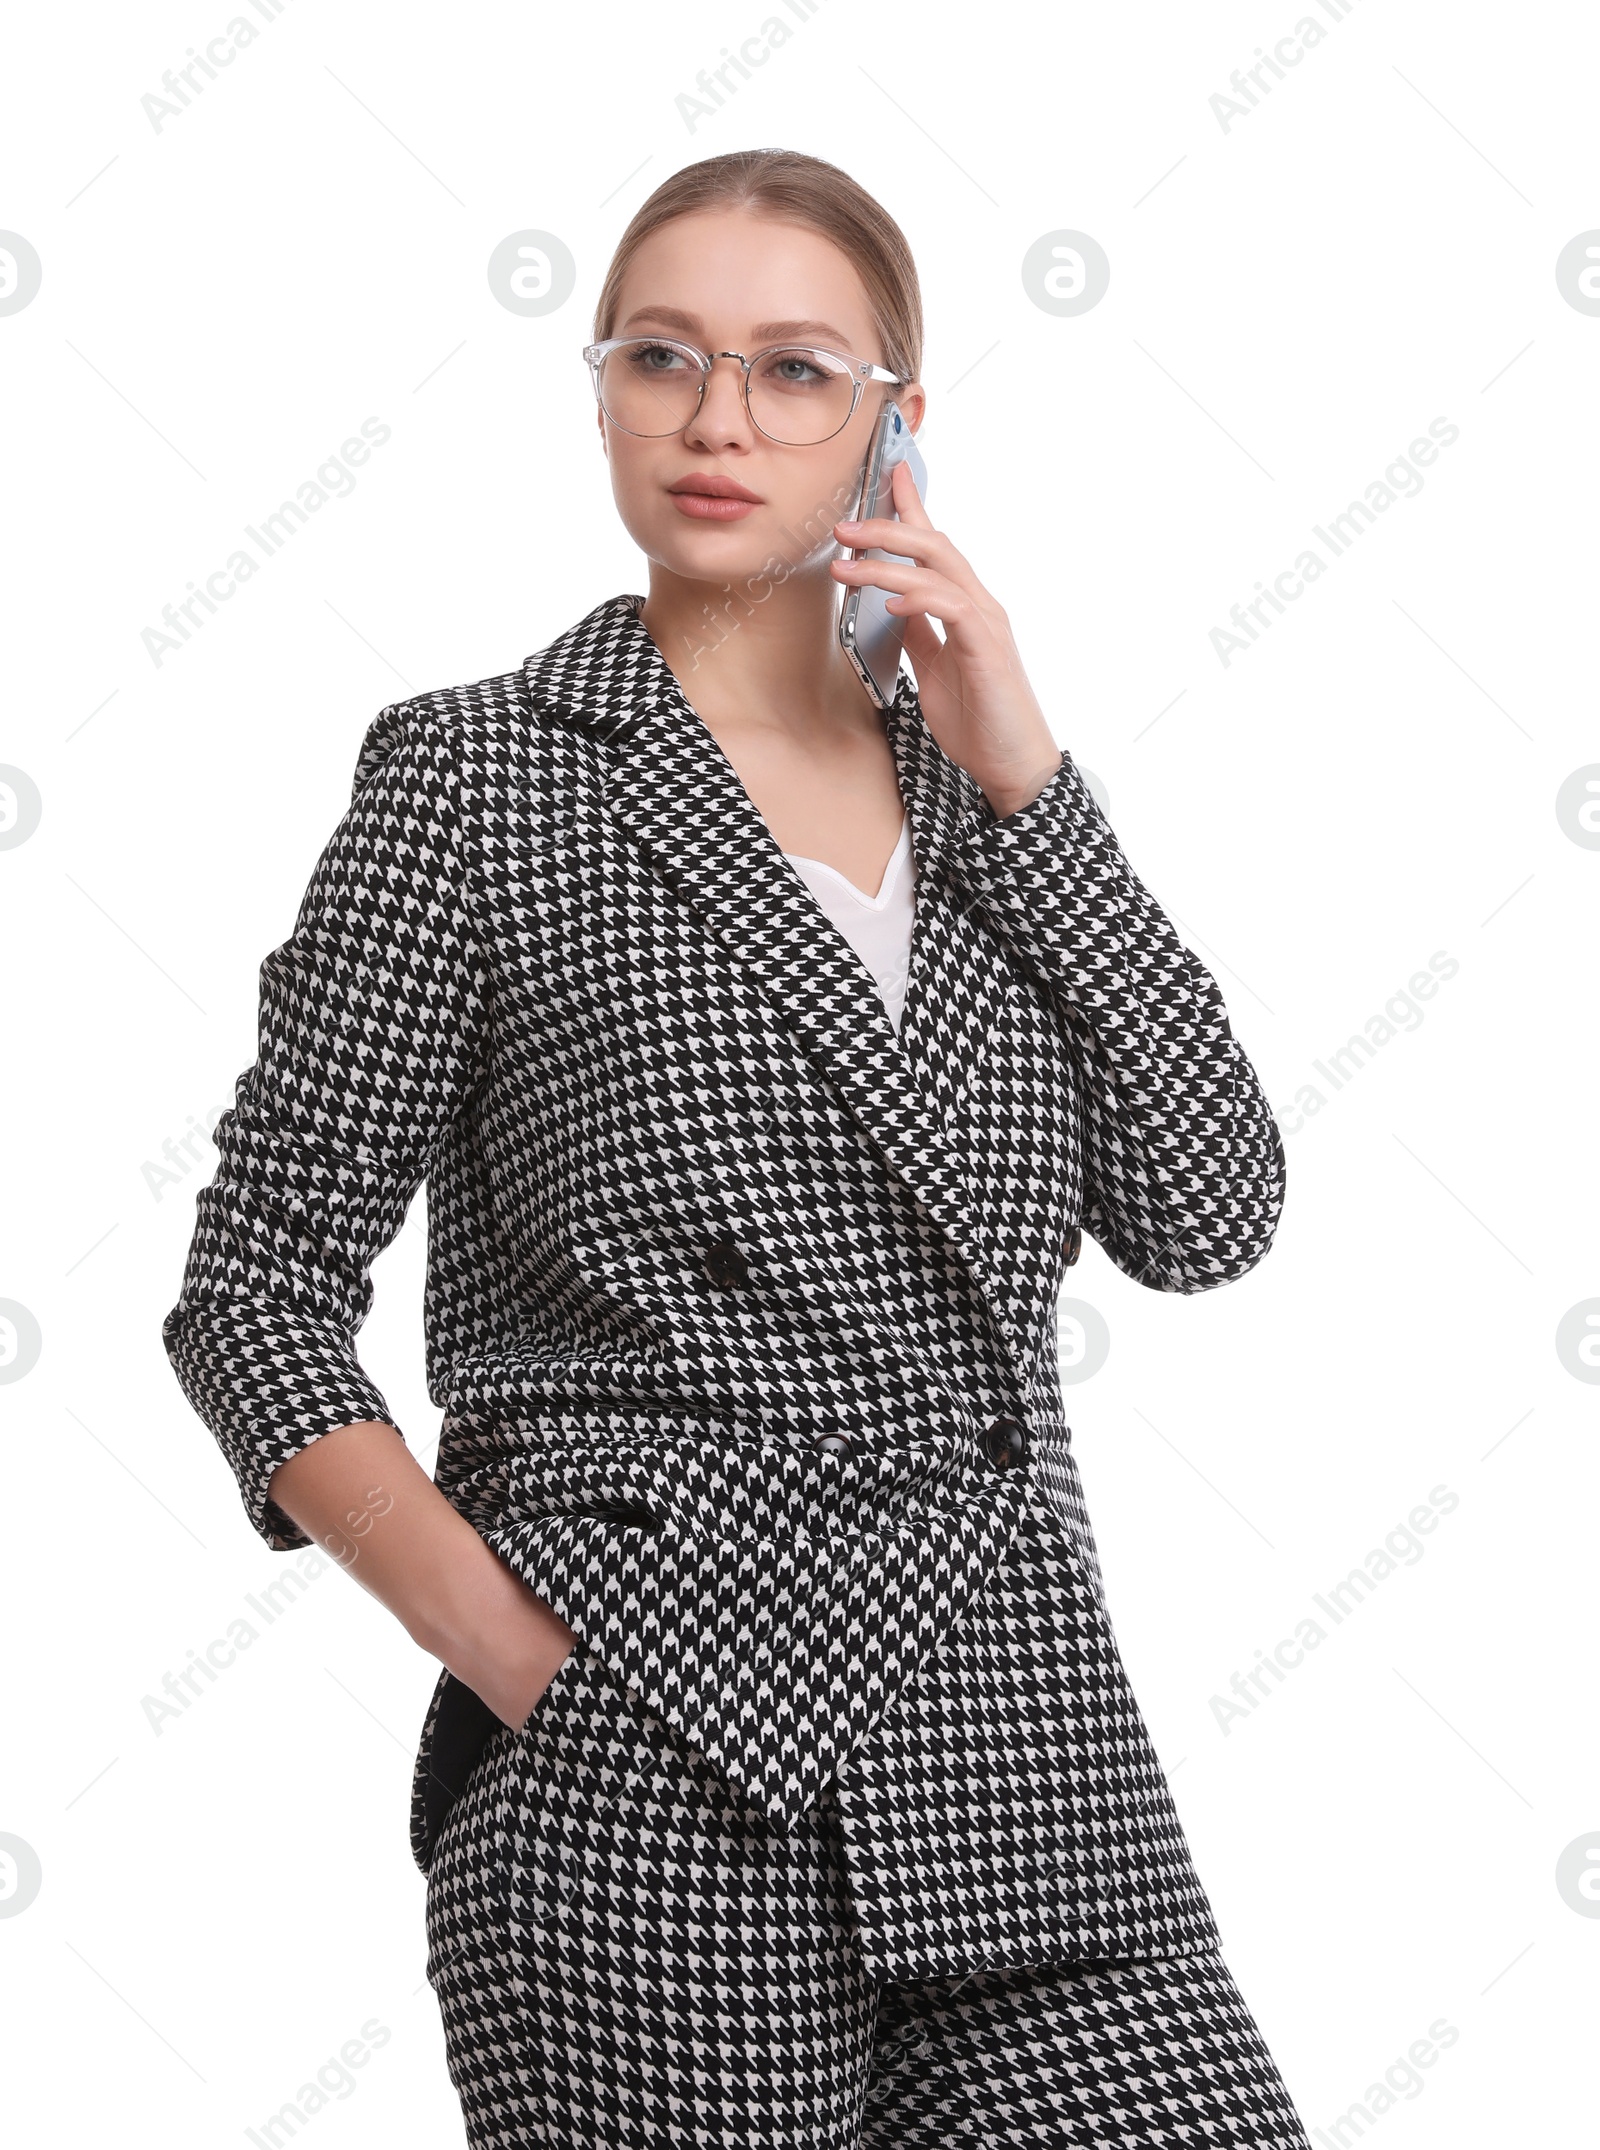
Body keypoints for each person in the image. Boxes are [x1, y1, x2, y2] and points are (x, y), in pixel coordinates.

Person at [161, 148, 1310, 2148]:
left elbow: (1207, 1211)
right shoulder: (482, 777)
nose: (715, 418)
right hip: (657, 1761)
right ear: (597, 387)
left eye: (794, 368)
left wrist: (1026, 773)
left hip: (1022, 1768)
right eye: (660, 355)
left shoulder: (983, 805)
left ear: (895, 423)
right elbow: (252, 1294)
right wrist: (525, 1662)